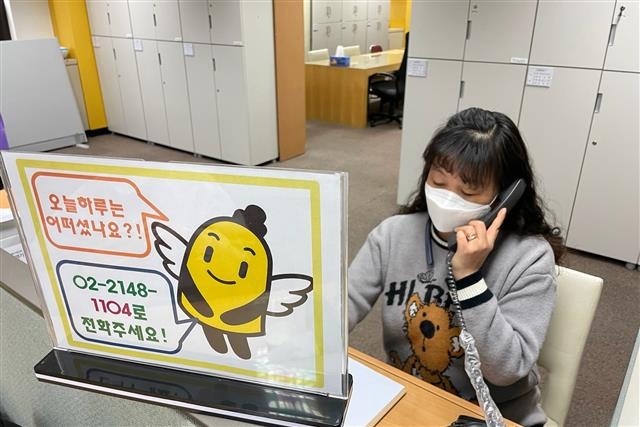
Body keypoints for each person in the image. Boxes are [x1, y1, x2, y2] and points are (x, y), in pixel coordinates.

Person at [348, 107, 564, 427]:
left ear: (506, 195)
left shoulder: (529, 258)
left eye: (468, 191)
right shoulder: (393, 234)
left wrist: (468, 277)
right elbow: (342, 307)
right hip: (412, 402)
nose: (447, 198)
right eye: (438, 181)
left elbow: (506, 369)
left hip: (491, 418)